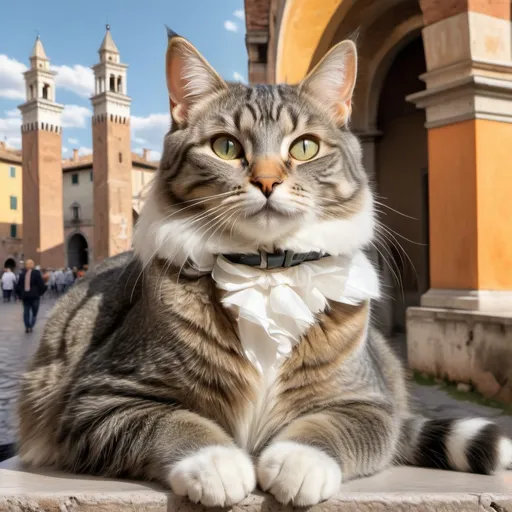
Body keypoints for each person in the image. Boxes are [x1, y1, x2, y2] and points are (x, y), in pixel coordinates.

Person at [16, 259, 46, 333]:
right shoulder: (29, 273)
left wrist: (20, 296)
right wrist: (41, 293)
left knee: (30, 312)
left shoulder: (29, 273)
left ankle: (29, 326)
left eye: (29, 264)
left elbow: (18, 286)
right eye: (29, 264)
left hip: (30, 296)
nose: (29, 265)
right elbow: (41, 284)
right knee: (30, 312)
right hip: (31, 296)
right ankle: (29, 326)